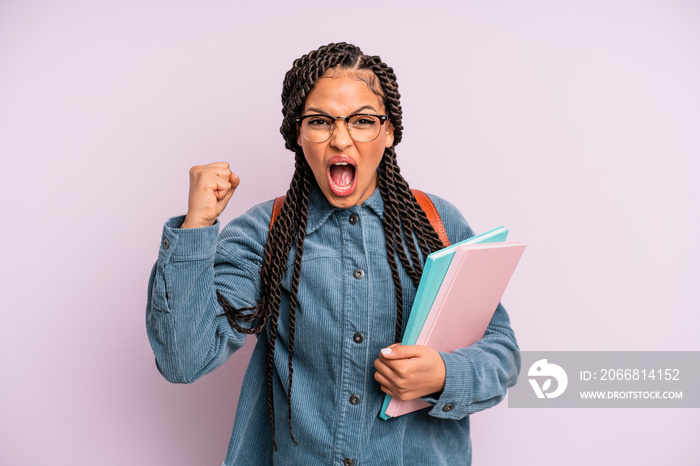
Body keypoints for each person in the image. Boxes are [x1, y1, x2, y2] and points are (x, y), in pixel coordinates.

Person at [146, 42, 520, 466]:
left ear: (389, 131)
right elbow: (183, 360)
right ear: (298, 135)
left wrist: (445, 375)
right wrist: (196, 229)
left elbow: (502, 352)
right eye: (320, 122)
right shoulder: (265, 233)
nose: (341, 139)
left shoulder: (437, 223)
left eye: (362, 121)